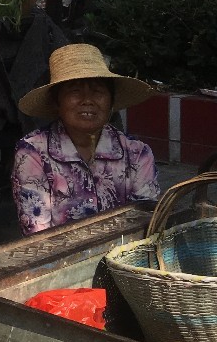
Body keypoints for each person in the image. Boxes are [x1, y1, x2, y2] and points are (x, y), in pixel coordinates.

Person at [12, 44, 159, 235]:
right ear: (57, 102)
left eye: (98, 91)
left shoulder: (137, 153)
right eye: (75, 91)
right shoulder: (33, 152)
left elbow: (146, 222)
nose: (87, 100)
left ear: (111, 102)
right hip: (60, 261)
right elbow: (37, 233)